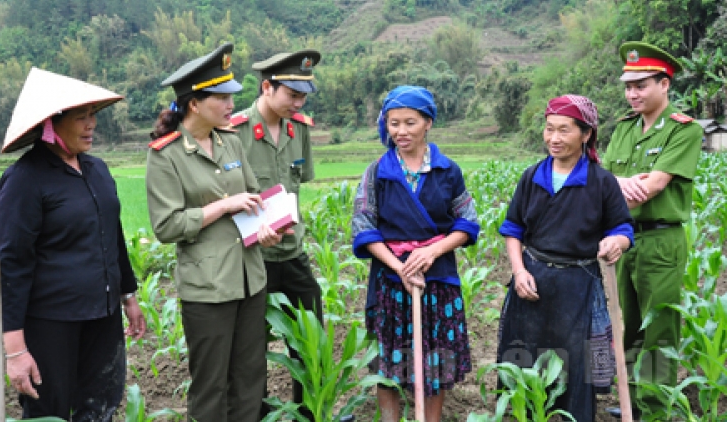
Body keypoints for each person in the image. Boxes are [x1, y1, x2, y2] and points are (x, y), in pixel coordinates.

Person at [0, 67, 146, 420]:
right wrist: (15, 349)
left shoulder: (98, 170)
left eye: (92, 115)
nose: (91, 124)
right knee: (50, 410)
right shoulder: (25, 179)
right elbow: (14, 263)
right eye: (81, 117)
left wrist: (129, 296)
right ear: (51, 123)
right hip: (52, 322)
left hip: (103, 315)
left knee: (100, 406)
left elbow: (114, 236)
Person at [146, 43, 285, 421]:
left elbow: (253, 198)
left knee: (251, 379)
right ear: (195, 103)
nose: (230, 104)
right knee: (210, 386)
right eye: (222, 97)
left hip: (250, 279)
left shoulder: (231, 141)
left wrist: (267, 229)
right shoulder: (166, 155)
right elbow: (167, 225)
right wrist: (222, 206)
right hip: (208, 289)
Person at [496, 95, 634, 422]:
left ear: (586, 134)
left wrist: (617, 241)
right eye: (549, 129)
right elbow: (513, 229)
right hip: (533, 280)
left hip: (579, 284)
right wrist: (518, 271)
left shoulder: (601, 182)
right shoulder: (532, 177)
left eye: (564, 130)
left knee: (577, 367)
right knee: (524, 360)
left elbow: (624, 227)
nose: (554, 139)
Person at [352, 85, 480, 422]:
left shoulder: (447, 171)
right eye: (393, 123)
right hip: (390, 282)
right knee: (387, 361)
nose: (401, 132)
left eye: (409, 122)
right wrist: (400, 267)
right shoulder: (377, 171)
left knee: (435, 362)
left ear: (428, 123)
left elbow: (468, 221)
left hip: (437, 279)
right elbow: (363, 225)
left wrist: (432, 251)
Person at [603, 42, 703, 419]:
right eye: (629, 86)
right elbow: (600, 180)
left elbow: (653, 186)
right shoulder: (624, 129)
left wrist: (617, 183)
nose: (633, 94)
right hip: (623, 238)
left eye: (642, 85)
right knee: (627, 327)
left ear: (665, 84)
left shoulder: (684, 131)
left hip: (661, 240)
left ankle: (655, 408)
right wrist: (621, 181)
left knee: (659, 328)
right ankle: (631, 404)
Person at [227, 49, 322, 418]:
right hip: (253, 260)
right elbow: (223, 197)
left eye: (303, 97)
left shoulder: (299, 129)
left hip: (293, 254)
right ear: (267, 87)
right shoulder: (233, 132)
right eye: (292, 95)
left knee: (309, 340)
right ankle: (259, 414)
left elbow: (297, 186)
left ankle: (309, 412)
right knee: (253, 349)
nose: (298, 104)